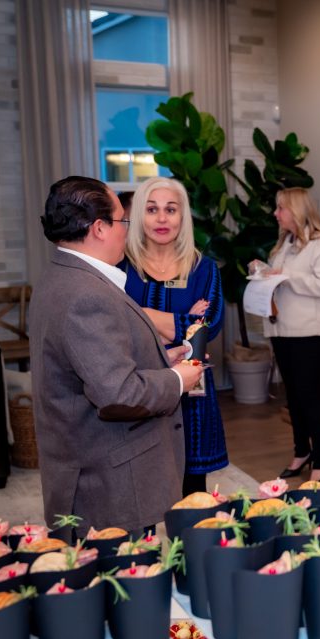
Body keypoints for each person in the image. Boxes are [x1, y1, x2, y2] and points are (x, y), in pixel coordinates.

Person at [29, 176, 204, 536]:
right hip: (108, 488)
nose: (129, 229)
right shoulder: (87, 295)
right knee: (127, 582)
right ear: (99, 228)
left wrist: (157, 361)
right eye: (123, 220)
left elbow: (94, 365)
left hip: (93, 468)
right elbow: (118, 394)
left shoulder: (60, 274)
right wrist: (176, 379)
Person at [122, 177, 228, 496]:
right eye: (152, 209)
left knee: (192, 491)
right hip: (137, 385)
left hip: (190, 389)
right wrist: (184, 320)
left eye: (171, 209)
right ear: (140, 214)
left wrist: (137, 312)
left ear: (183, 217)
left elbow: (206, 327)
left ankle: (190, 545)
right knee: (140, 487)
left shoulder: (203, 269)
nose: (162, 218)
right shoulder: (121, 267)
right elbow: (113, 323)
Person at [263, 187, 320, 482]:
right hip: (282, 330)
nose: (276, 214)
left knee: (309, 398)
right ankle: (300, 451)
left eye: (281, 208)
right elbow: (279, 276)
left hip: (309, 332)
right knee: (292, 397)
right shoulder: (286, 242)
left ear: (296, 210)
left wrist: (286, 276)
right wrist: (264, 272)